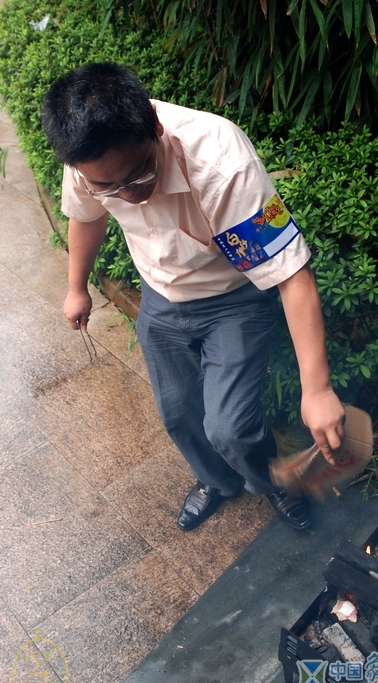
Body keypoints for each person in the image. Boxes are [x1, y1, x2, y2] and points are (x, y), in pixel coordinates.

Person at [41, 62, 345, 532]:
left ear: (155, 126)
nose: (128, 195)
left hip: (232, 298)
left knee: (230, 428)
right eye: (108, 187)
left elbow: (290, 273)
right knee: (179, 413)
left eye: (137, 175)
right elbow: (86, 217)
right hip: (159, 295)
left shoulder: (221, 162)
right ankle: (217, 481)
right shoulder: (85, 161)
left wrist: (318, 389)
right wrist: (76, 287)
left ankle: (272, 483)